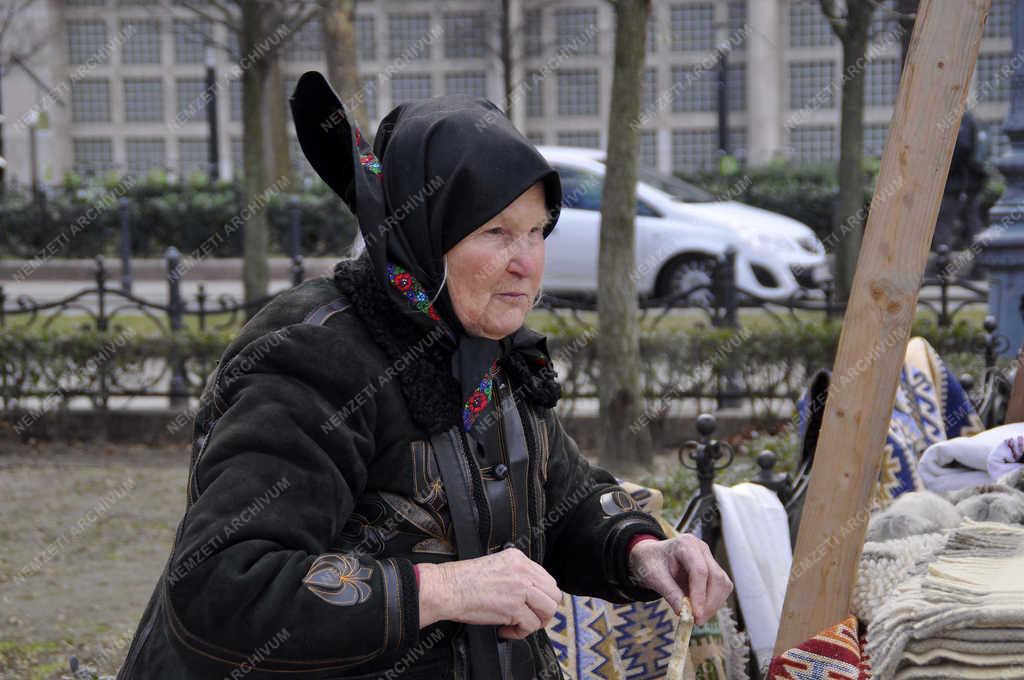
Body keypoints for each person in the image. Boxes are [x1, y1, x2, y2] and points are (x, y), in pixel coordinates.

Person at [115, 71, 732, 680]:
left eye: (538, 232)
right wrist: (443, 589)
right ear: (420, 232)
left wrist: (640, 549)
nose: (526, 264)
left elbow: (559, 500)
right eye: (495, 232)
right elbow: (220, 588)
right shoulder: (312, 356)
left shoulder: (493, 347)